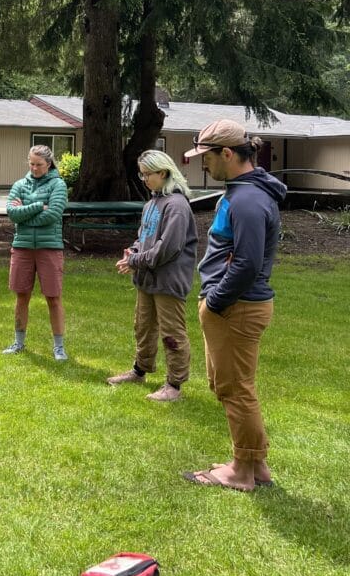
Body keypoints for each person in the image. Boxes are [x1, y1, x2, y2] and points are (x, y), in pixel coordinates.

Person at [182, 119, 286, 492]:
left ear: (227, 153)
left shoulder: (248, 199)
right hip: (235, 305)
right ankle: (255, 465)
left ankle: (241, 471)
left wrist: (215, 302)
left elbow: (247, 263)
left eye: (206, 157)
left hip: (236, 306)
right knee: (232, 385)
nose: (203, 164)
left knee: (235, 387)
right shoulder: (243, 192)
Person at [108, 150, 198, 401]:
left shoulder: (177, 206)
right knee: (143, 326)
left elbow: (167, 248)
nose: (144, 179)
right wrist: (133, 252)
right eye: (142, 174)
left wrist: (136, 260)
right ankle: (140, 370)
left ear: (164, 172)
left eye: (148, 174)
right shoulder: (151, 203)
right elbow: (144, 237)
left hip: (168, 282)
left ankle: (174, 385)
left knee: (171, 333)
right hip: (147, 279)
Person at [3, 144, 69, 360]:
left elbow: (54, 214)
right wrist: (39, 206)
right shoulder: (20, 185)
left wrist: (27, 215)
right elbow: (12, 213)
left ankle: (59, 347)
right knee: (22, 296)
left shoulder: (58, 184)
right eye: (31, 163)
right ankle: (18, 343)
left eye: (39, 165)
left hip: (49, 248)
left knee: (53, 297)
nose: (34, 168)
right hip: (22, 247)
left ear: (48, 164)